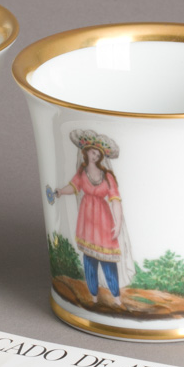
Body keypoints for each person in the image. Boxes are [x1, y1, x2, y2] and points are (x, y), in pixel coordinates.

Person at [51, 129, 131, 309]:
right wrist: (60, 191)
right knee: (89, 260)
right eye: (92, 152)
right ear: (86, 152)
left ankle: (116, 298)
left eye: (98, 154)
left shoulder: (107, 176)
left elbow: (115, 200)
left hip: (103, 220)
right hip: (87, 220)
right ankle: (93, 297)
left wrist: (118, 223)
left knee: (108, 260)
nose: (95, 156)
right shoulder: (82, 173)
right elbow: (73, 187)